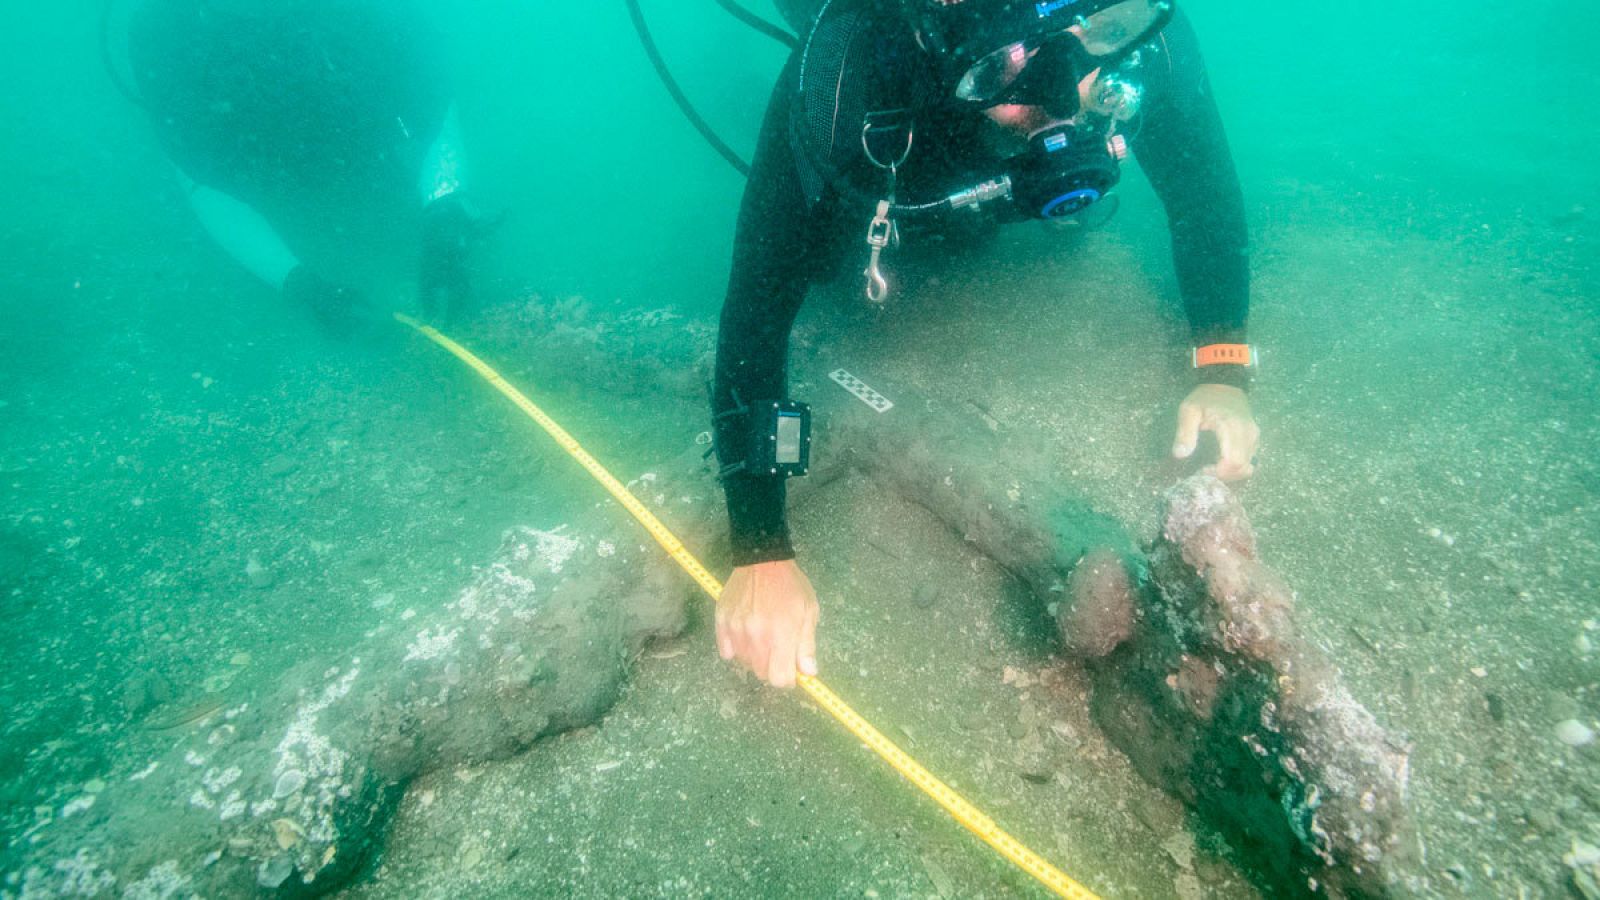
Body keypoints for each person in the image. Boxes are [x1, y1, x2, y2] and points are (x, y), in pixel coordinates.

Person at [710, 0, 1260, 687]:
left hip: (976, 162)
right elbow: (757, 314)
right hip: (910, 153)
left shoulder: (1133, 24)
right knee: (825, 266)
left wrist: (1222, 366)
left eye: (1090, 37)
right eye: (1008, 65)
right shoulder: (845, 73)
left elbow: (1202, 194)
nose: (1066, 93)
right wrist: (760, 548)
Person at [124, 0, 489, 334]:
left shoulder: (374, 14)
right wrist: (299, 284)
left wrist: (445, 209)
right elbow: (198, 176)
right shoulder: (166, 30)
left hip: (358, 145)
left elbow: (433, 98)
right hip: (264, 163)